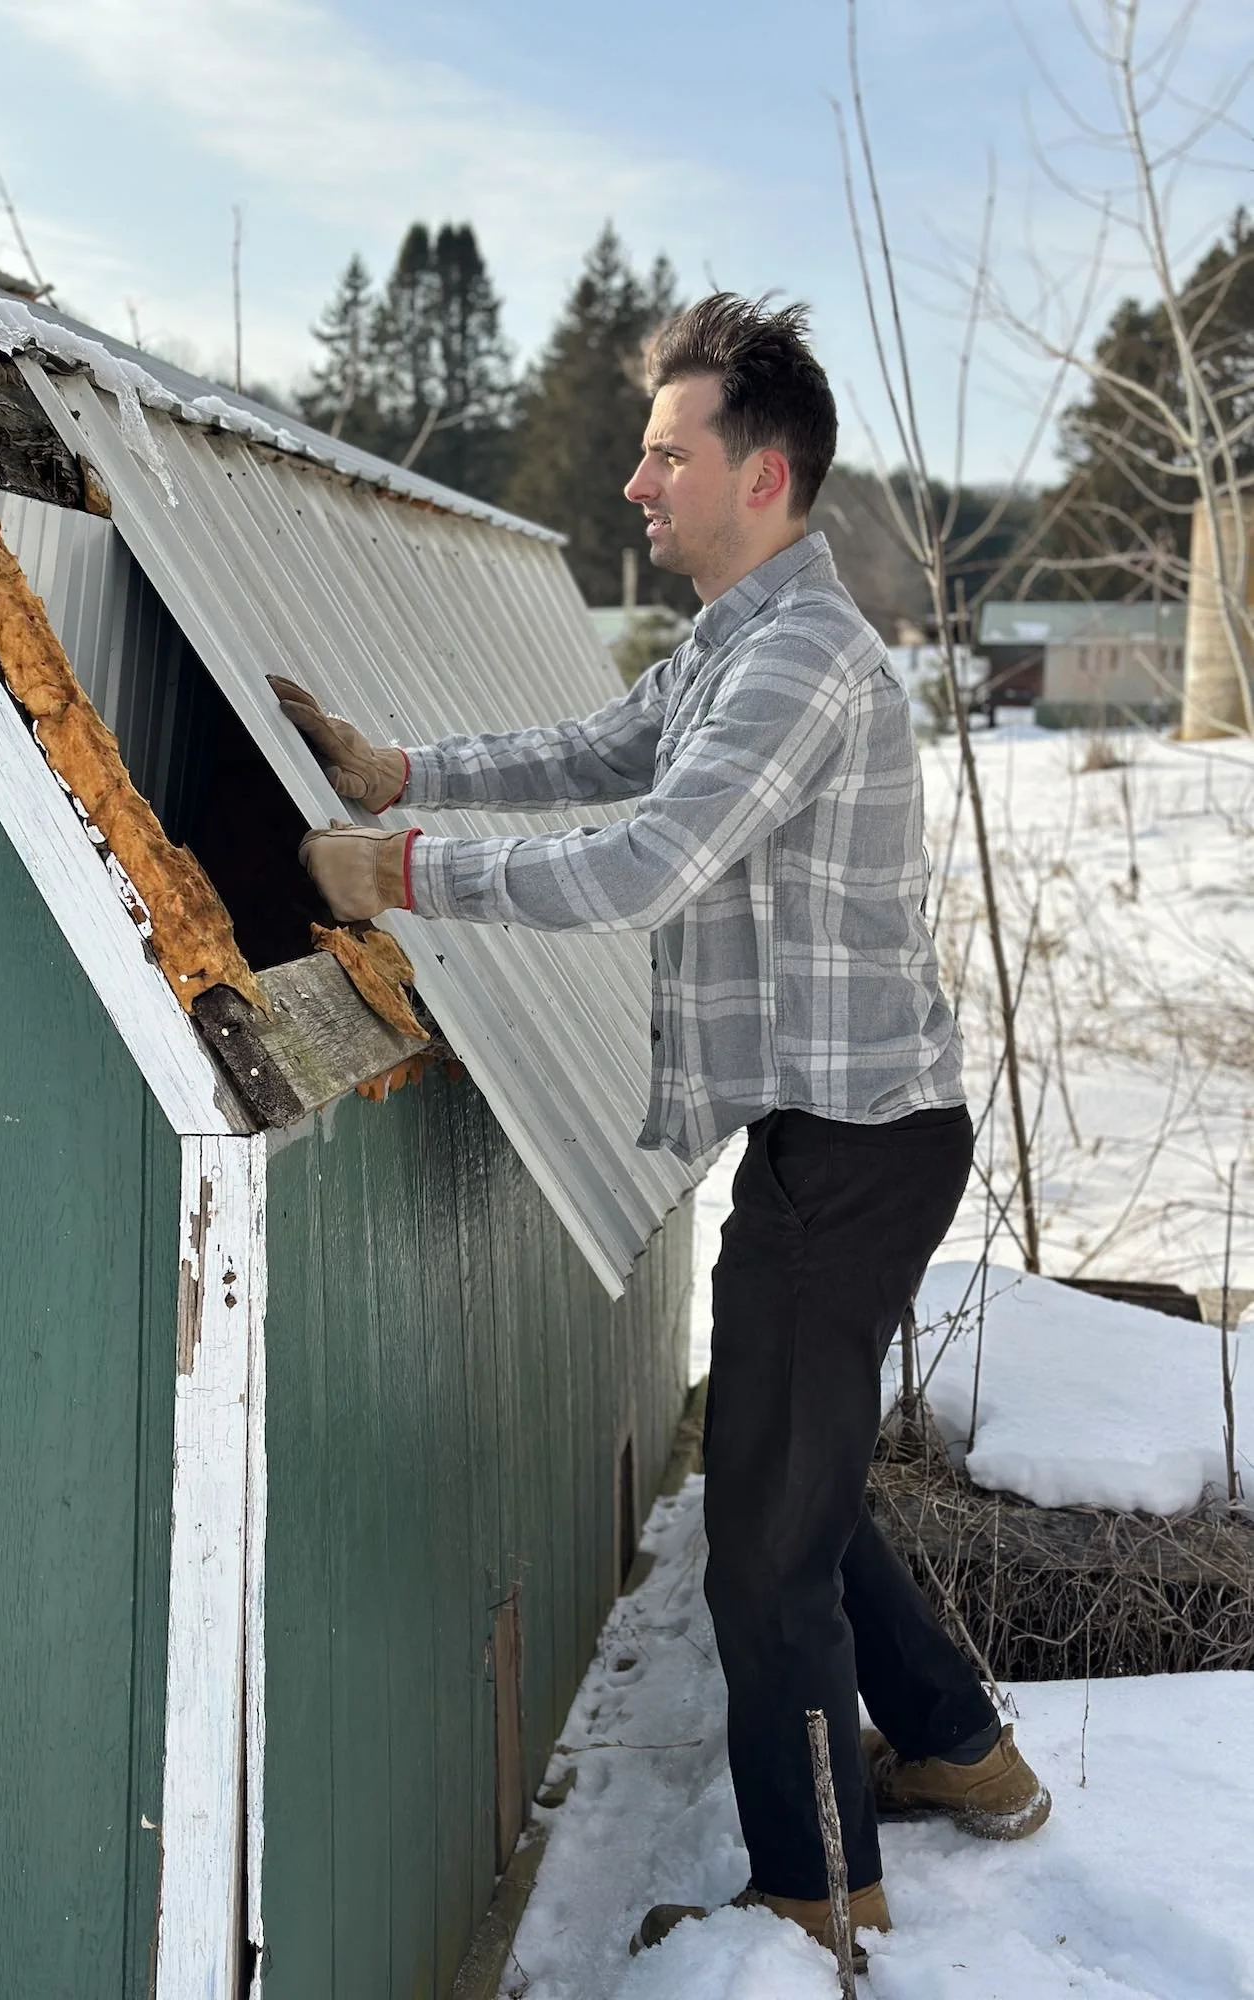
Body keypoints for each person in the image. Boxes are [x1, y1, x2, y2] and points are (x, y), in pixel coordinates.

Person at [274, 293, 1050, 1976]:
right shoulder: (731, 635)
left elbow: (643, 858)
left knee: (761, 1539)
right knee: (798, 1484)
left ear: (757, 477)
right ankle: (964, 1749)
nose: (636, 480)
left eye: (664, 451)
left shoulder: (800, 665)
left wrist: (391, 872)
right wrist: (396, 767)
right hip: (833, 1135)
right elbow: (599, 746)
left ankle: (816, 1891)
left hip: (856, 1151)